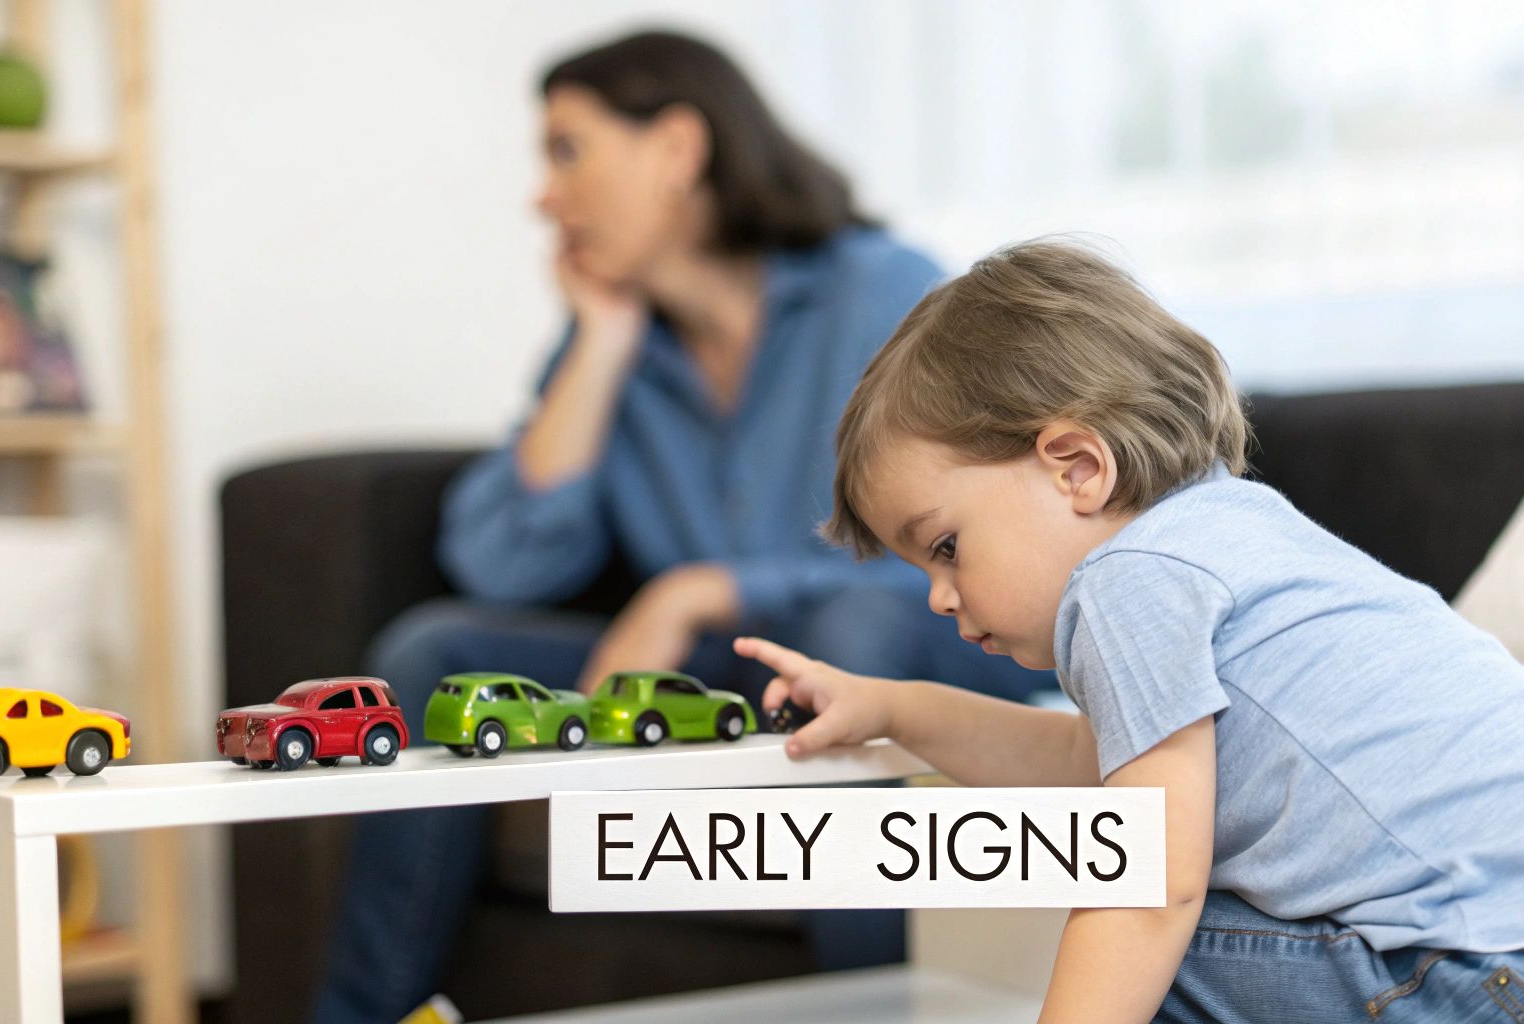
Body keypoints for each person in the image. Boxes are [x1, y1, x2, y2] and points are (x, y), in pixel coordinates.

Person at [733, 239, 1524, 1022]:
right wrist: (895, 710)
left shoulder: (1129, 580)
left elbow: (1141, 882)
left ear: (1076, 467)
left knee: (1155, 940)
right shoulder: (1229, 534)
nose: (938, 599)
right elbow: (1088, 764)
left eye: (945, 546)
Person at [310, 32, 1051, 1024]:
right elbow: (499, 560)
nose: (542, 196)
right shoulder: (614, 344)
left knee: (843, 641)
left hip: (919, 645)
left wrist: (704, 589)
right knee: (433, 649)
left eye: (567, 152)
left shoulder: (879, 293)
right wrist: (600, 345)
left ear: (675, 149)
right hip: (726, 669)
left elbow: (952, 557)